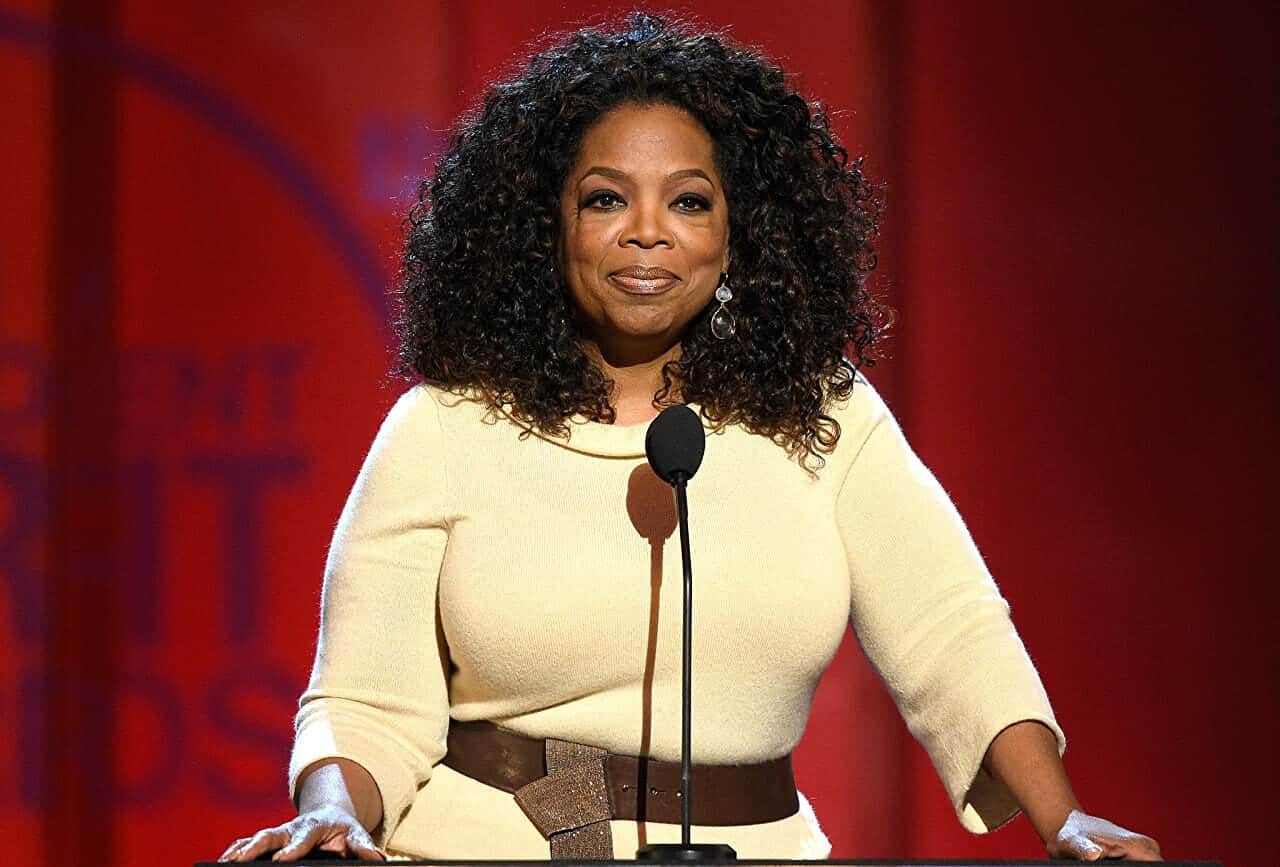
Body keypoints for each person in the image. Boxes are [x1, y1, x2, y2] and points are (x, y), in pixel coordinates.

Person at [219, 13, 1161, 863]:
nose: (647, 234)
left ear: (740, 232)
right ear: (546, 226)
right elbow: (365, 702)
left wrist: (1065, 820)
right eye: (605, 199)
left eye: (689, 201)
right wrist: (331, 815)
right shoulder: (447, 425)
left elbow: (950, 633)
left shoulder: (824, 416)